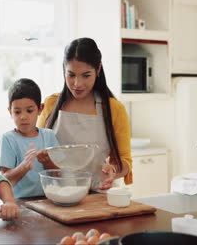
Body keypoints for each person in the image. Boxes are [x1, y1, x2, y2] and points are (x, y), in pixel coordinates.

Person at [36, 37, 132, 191]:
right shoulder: (51, 105)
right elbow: (38, 150)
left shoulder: (114, 109)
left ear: (98, 69)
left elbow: (125, 161)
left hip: (97, 193)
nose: (77, 83)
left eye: (86, 75)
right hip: (55, 192)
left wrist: (113, 170)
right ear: (63, 70)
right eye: (71, 75)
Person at [0, 78, 59, 198]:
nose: (23, 117)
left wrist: (48, 162)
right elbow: (4, 181)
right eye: (17, 112)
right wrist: (24, 167)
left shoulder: (49, 136)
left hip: (49, 200)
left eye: (29, 110)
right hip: (20, 203)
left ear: (40, 109)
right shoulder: (8, 139)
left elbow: (61, 175)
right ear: (10, 111)